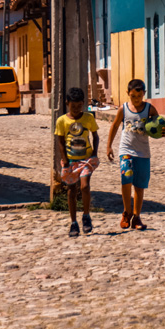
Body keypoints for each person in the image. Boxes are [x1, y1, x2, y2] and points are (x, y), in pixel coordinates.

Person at [104, 78, 165, 231]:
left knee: (139, 187)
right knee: (126, 177)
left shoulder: (149, 109)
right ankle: (126, 212)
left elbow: (161, 126)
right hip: (126, 150)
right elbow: (114, 126)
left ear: (144, 94)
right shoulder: (124, 109)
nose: (136, 100)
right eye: (133, 96)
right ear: (128, 94)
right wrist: (109, 146)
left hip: (143, 153)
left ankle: (136, 216)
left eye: (139, 97)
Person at [55, 87, 99, 237]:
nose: (76, 109)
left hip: (86, 160)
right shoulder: (62, 121)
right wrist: (65, 159)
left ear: (83, 104)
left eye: (79, 106)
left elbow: (95, 136)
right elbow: (60, 141)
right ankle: (73, 222)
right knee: (71, 190)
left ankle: (86, 215)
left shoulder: (88, 118)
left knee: (85, 186)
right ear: (67, 104)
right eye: (73, 106)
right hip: (70, 161)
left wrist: (94, 152)